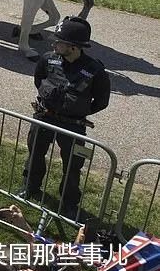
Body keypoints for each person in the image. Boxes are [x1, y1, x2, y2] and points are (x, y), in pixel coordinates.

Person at [20, 17, 110, 218]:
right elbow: (39, 80)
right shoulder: (48, 59)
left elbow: (101, 102)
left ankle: (69, 203)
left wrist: (77, 111)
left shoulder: (96, 71)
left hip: (74, 126)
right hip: (44, 117)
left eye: (59, 41)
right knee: (35, 153)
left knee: (73, 165)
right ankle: (30, 187)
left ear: (74, 47)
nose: (54, 44)